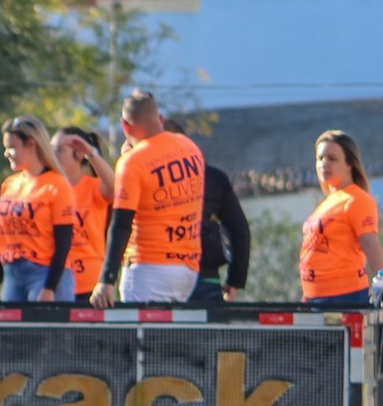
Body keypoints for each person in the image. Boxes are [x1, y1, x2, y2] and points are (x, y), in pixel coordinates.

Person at [91, 92, 207, 307]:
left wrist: (106, 279)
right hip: (188, 267)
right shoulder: (189, 147)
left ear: (125, 126)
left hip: (149, 268)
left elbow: (121, 224)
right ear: (160, 118)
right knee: (169, 338)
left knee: (140, 338)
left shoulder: (132, 163)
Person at [0, 115, 76, 303]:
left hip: (44, 273)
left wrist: (50, 288)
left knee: (43, 332)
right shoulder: (9, 184)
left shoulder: (57, 185)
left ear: (31, 144)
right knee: (14, 333)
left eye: (12, 147)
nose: (6, 153)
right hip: (13, 273)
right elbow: (6, 237)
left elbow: (64, 242)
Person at [299, 130, 383, 307]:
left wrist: (381, 281)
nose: (323, 164)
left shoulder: (356, 199)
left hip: (344, 297)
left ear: (350, 163)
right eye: (320, 158)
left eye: (332, 159)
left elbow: (370, 243)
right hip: (316, 298)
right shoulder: (327, 203)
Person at [163, 117, 250, 303]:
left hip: (156, 276)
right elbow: (239, 230)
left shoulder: (143, 173)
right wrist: (235, 280)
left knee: (155, 332)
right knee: (205, 332)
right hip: (204, 277)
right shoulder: (212, 177)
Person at [55, 125, 115, 300]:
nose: (52, 155)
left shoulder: (92, 187)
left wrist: (91, 153)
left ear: (78, 154)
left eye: (59, 150)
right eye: (50, 150)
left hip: (90, 285)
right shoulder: (49, 189)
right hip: (55, 281)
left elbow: (114, 187)